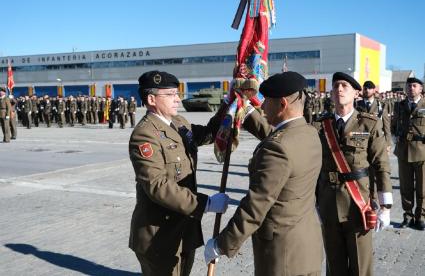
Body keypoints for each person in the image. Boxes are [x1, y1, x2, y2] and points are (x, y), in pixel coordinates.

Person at [204, 71, 324, 276]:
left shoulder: (278, 148)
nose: (263, 105)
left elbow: (255, 207)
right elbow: (277, 136)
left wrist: (221, 244)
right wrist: (245, 108)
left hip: (282, 256)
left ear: (282, 104)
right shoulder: (309, 133)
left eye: (266, 100)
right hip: (306, 247)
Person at [129, 70, 230, 276]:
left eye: (177, 93)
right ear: (151, 99)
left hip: (185, 230)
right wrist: (206, 204)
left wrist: (229, 105)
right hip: (160, 237)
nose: (178, 99)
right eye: (170, 94)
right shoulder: (144, 135)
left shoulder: (179, 123)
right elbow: (157, 186)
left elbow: (209, 133)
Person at [316, 72, 393, 275]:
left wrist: (385, 206)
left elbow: (381, 164)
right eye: (335, 87)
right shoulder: (321, 125)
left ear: (356, 93)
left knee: (361, 266)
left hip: (358, 204)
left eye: (344, 86)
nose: (339, 89)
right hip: (328, 203)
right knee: (334, 266)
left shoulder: (368, 123)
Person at [394, 77, 425, 230]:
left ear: (421, 88)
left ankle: (421, 216)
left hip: (422, 151)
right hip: (404, 151)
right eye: (408, 86)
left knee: (422, 187)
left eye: (414, 86)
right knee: (405, 187)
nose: (410, 88)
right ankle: (407, 215)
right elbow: (394, 125)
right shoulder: (399, 106)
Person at [356, 80, 392, 204]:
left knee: (379, 171)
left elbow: (386, 125)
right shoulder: (357, 104)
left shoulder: (381, 105)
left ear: (374, 90)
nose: (366, 90)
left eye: (369, 88)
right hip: (361, 141)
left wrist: (388, 143)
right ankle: (369, 199)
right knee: (365, 171)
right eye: (365, 88)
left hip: (377, 142)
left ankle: (377, 199)